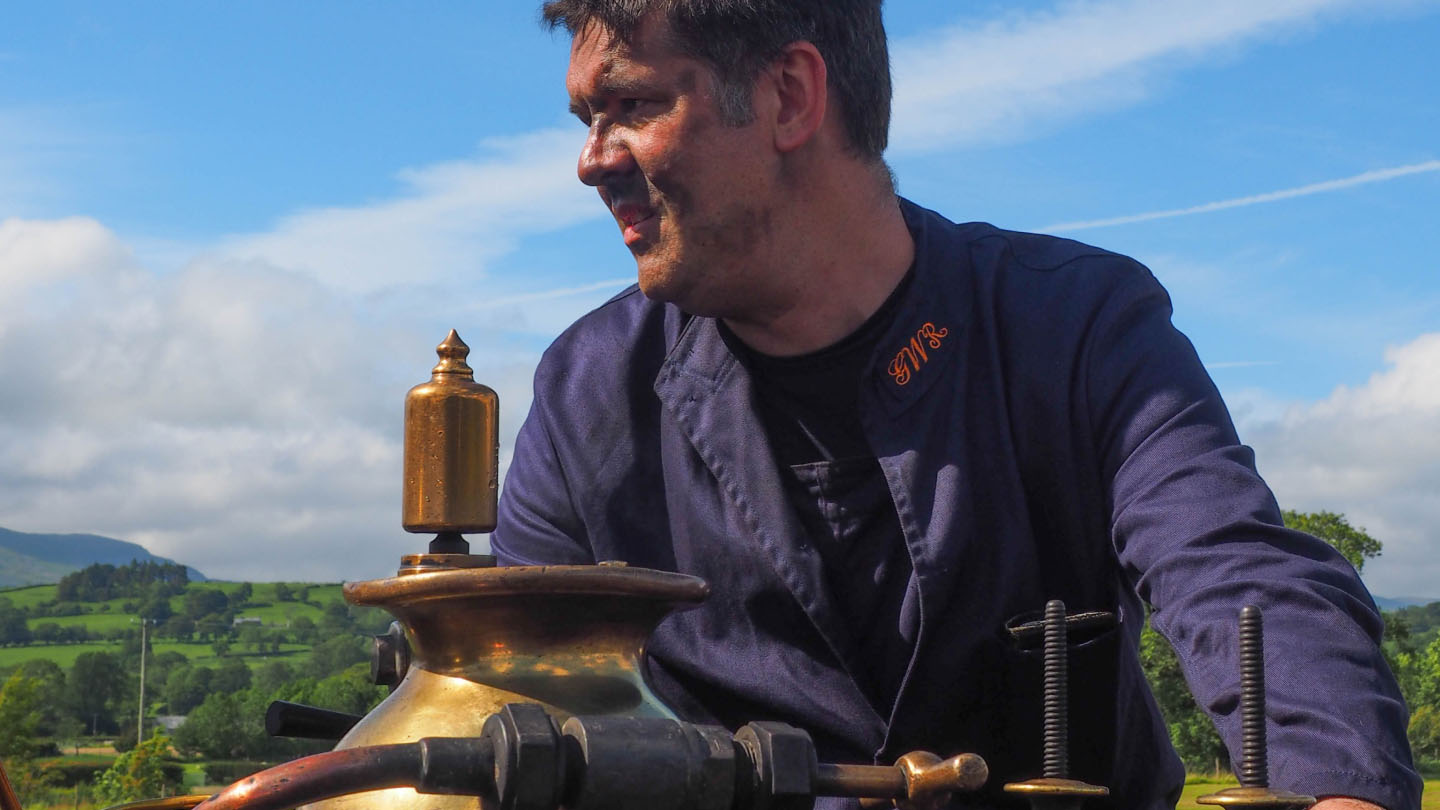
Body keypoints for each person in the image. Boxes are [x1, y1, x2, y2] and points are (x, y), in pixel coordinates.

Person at [489, 2, 1420, 809]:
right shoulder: (584, 403)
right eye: (586, 118)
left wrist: (1337, 783)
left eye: (633, 105)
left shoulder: (1077, 327)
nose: (590, 161)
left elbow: (1235, 569)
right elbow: (513, 704)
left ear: (789, 96)